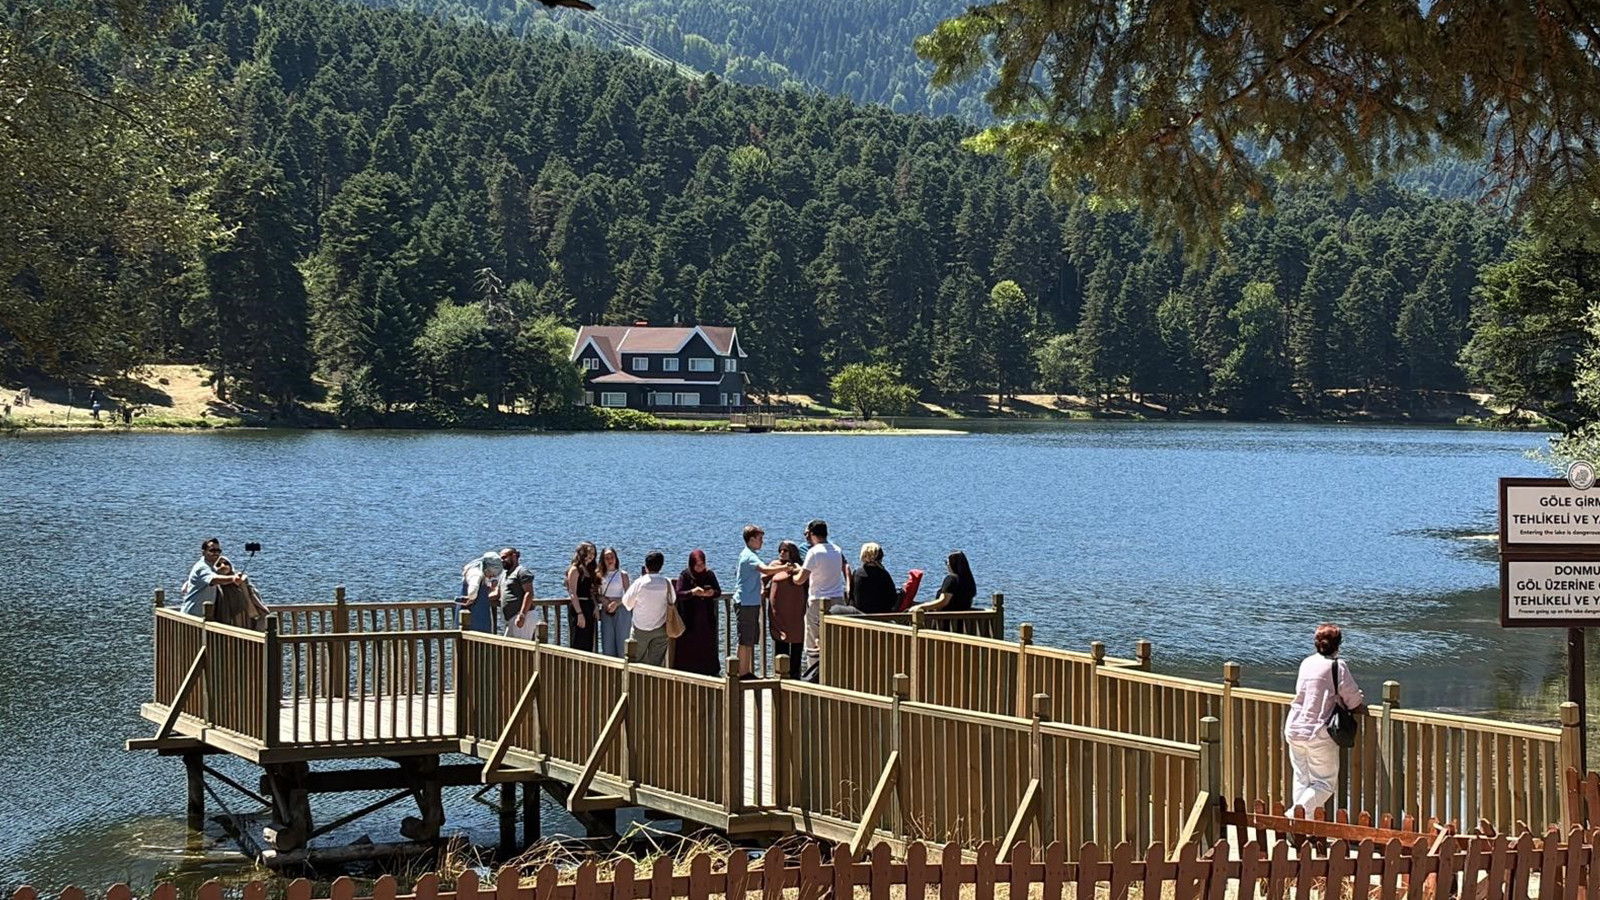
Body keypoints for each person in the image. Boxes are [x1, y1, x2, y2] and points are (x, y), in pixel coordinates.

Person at [1284, 623, 1367, 814]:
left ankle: (1300, 830)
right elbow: (1353, 700)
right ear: (1338, 644)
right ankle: (1293, 815)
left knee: (1302, 780)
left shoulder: (1306, 663)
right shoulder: (1338, 666)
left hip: (1294, 727)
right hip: (1318, 731)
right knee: (1324, 784)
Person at [790, 519, 849, 682]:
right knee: (833, 639)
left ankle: (814, 677)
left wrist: (793, 573)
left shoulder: (814, 552)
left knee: (813, 641)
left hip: (818, 602)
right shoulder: (837, 550)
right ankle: (835, 674)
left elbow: (800, 579)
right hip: (837, 601)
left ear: (813, 534)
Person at [733, 525, 790, 677]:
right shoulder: (749, 556)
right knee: (744, 639)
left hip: (750, 602)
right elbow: (765, 570)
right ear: (751, 539)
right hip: (745, 602)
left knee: (749, 639)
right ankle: (741, 672)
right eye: (760, 538)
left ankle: (744, 670)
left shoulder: (748, 554)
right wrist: (785, 568)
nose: (762, 542)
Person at [672, 549, 723, 676]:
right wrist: (693, 592)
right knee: (689, 647)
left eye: (702, 564)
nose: (700, 567)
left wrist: (712, 593)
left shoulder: (709, 575)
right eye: (697, 565)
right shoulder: (685, 575)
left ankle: (709, 671)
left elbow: (718, 591)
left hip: (706, 618)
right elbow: (679, 594)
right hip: (689, 619)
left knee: (707, 646)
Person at [622, 551, 676, 666]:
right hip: (660, 629)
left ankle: (634, 684)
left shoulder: (640, 583)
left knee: (634, 662)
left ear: (646, 566)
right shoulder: (666, 583)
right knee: (655, 665)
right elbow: (673, 600)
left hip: (640, 628)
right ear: (661, 566)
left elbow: (627, 603)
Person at [766, 540, 807, 677]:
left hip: (796, 612)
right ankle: (780, 676)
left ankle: (795, 676)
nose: (782, 553)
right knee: (780, 643)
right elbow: (762, 579)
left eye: (785, 550)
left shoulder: (800, 567)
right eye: (780, 550)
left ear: (792, 552)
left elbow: (806, 582)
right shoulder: (774, 565)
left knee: (796, 642)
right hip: (778, 612)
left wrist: (794, 568)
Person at [179, 537, 249, 617]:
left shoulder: (211, 567)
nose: (216, 553)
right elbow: (213, 579)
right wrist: (233, 579)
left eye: (218, 551)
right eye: (212, 550)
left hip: (203, 615)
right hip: (192, 615)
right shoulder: (202, 567)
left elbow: (213, 575)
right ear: (203, 552)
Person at [212, 556, 270, 629]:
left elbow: (252, 595)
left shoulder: (241, 580)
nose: (223, 566)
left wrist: (262, 608)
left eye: (226, 563)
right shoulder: (214, 583)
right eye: (218, 564)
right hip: (226, 616)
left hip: (245, 615)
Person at [596, 547, 632, 658]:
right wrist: (604, 600)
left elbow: (629, 595)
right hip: (606, 610)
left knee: (622, 644)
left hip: (621, 610)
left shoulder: (622, 574)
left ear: (616, 558)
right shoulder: (599, 575)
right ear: (603, 559)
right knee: (607, 646)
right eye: (606, 557)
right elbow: (595, 594)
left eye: (612, 557)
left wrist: (616, 603)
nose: (609, 559)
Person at [849, 542, 903, 615]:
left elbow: (851, 594)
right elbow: (892, 597)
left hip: (860, 614)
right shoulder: (883, 574)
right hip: (880, 615)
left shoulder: (857, 573)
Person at [564, 542, 598, 651]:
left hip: (589, 607)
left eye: (593, 553)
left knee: (588, 642)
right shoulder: (575, 569)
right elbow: (572, 592)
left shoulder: (589, 570)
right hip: (578, 607)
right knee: (578, 641)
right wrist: (579, 613)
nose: (591, 555)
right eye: (589, 552)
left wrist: (596, 606)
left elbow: (591, 591)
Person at [458, 552, 503, 633]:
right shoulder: (476, 573)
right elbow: (473, 590)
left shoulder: (481, 572)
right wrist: (471, 599)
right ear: (489, 568)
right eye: (492, 574)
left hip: (480, 612)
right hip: (473, 612)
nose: (492, 576)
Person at [499, 547, 536, 639]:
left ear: (514, 557)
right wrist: (476, 598)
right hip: (510, 618)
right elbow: (497, 594)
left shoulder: (522, 572)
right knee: (508, 648)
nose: (501, 560)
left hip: (523, 616)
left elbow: (529, 593)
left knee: (522, 648)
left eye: (504, 557)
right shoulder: (504, 574)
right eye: (501, 558)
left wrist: (522, 615)